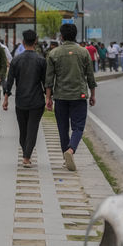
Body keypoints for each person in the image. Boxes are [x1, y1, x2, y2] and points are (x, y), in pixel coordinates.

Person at [45, 23, 97, 172]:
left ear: (61, 36)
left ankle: (65, 157)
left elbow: (49, 79)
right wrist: (92, 94)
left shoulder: (54, 53)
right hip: (79, 95)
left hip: (60, 96)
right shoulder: (84, 52)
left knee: (62, 128)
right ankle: (71, 150)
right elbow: (90, 76)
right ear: (75, 35)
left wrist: (48, 98)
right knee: (78, 126)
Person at [3, 30, 46, 167]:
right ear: (35, 42)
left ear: (23, 42)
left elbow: (9, 82)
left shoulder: (16, 60)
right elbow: (46, 82)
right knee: (32, 129)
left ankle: (25, 154)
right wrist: (50, 98)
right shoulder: (41, 60)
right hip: (37, 100)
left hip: (21, 101)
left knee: (23, 130)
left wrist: (5, 99)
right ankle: (27, 157)